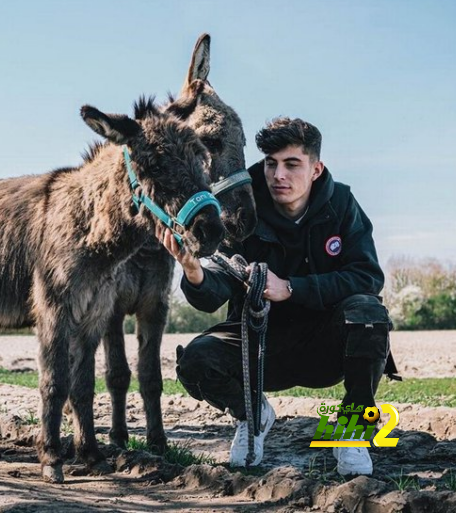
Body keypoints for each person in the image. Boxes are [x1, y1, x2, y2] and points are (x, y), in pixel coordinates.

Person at [156, 116, 398, 477]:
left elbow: (367, 276)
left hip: (325, 343)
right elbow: (215, 289)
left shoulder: (343, 204)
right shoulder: (241, 207)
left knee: (368, 313)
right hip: (257, 344)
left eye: (291, 164)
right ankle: (252, 415)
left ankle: (352, 429)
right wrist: (194, 271)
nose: (278, 175)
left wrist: (292, 288)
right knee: (195, 362)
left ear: (316, 169)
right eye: (271, 163)